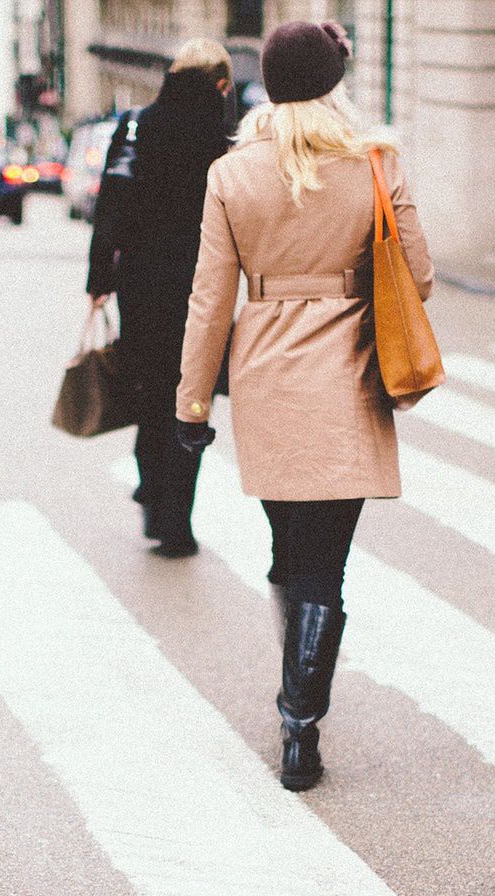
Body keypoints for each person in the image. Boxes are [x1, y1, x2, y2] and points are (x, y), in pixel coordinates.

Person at [173, 20, 432, 792]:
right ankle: (300, 725)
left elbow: (209, 299)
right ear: (332, 82)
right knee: (327, 566)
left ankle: (297, 698)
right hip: (348, 380)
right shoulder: (374, 164)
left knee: (291, 555)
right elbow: (417, 274)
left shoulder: (233, 174)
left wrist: (192, 404)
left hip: (266, 382)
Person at [86, 39, 234, 558]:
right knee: (192, 400)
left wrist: (98, 277)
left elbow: (112, 203)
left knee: (152, 392)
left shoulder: (134, 126)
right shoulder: (224, 137)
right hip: (203, 289)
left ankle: (153, 493)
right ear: (219, 84)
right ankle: (178, 522)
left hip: (143, 284)